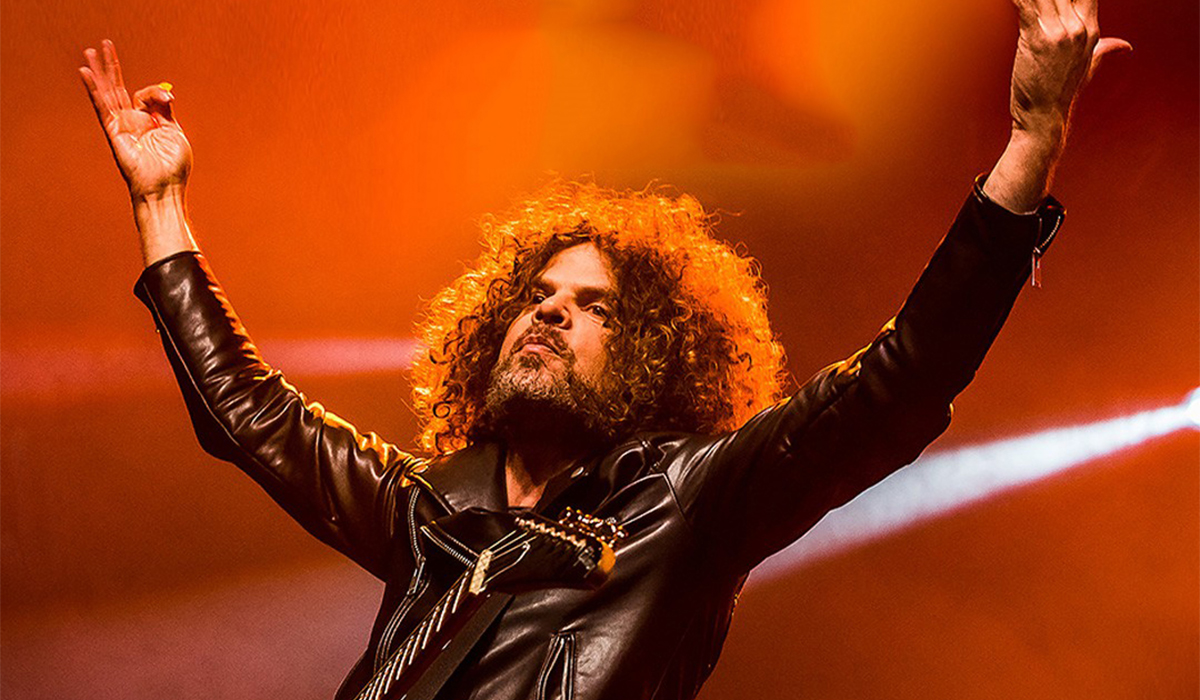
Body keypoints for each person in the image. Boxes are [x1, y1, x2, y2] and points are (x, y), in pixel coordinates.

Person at [80, 2, 1127, 698]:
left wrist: (1030, 139)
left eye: (593, 307)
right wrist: (162, 207)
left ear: (655, 359)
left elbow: (897, 385)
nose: (549, 314)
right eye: (536, 297)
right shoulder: (431, 512)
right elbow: (249, 416)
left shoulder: (690, 503)